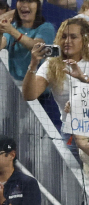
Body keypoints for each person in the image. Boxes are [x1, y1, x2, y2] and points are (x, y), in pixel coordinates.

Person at [22, 18, 89, 165]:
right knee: (75, 184)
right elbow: (29, 95)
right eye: (64, 36)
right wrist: (33, 63)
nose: (67, 41)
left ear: (85, 39)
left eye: (73, 37)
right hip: (71, 135)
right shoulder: (52, 65)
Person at [0, 0, 58, 125]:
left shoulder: (46, 27)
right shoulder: (14, 26)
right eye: (21, 1)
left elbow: (36, 47)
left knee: (34, 134)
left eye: (30, 1)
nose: (24, 5)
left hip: (38, 93)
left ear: (38, 6)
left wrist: (12, 32)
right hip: (16, 90)